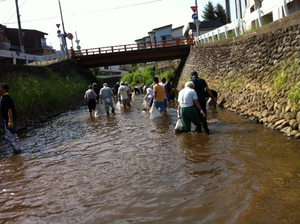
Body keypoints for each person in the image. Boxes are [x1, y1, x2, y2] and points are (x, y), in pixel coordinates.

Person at [0, 83, 21, 154]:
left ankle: (17, 151)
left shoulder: (7, 98)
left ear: (4, 89)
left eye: (0, 88)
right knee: (10, 136)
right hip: (6, 120)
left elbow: (9, 109)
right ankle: (16, 150)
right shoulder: (2, 98)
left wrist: (10, 120)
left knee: (11, 136)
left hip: (9, 120)